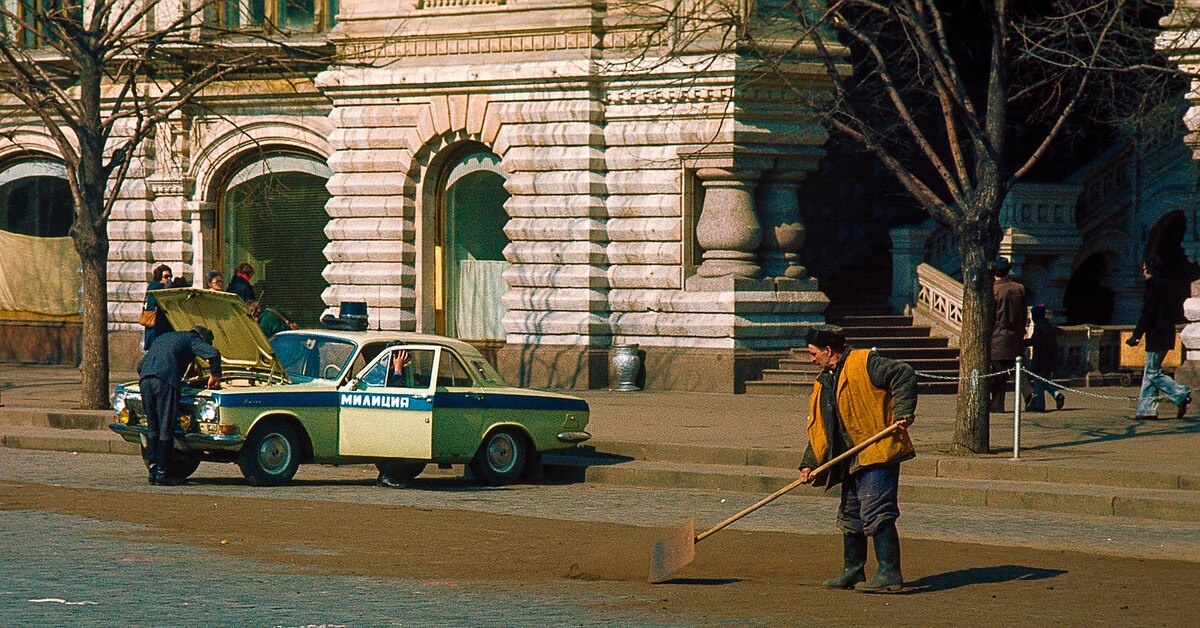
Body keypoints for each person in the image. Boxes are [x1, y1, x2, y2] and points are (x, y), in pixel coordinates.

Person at [798, 327, 916, 593]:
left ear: (829, 351)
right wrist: (810, 463)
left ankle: (889, 573)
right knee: (851, 516)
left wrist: (904, 410)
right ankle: (853, 571)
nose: (811, 359)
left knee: (877, 512)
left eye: (813, 354)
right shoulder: (824, 381)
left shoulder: (865, 362)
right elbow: (820, 428)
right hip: (848, 458)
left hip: (876, 451)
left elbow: (903, 373)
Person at [137, 324, 222, 486]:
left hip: (145, 380)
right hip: (164, 381)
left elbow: (140, 366)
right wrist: (215, 375)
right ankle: (163, 474)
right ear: (202, 338)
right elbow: (213, 354)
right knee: (166, 426)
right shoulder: (193, 339)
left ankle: (153, 470)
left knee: (153, 427)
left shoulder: (166, 337)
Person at [1127, 255, 1191, 420]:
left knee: (1153, 373)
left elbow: (1148, 312)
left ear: (1150, 269)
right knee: (1150, 372)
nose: (1143, 273)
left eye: (1144, 269)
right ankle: (1146, 410)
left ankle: (1180, 393)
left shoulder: (1152, 286)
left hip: (1156, 333)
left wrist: (1136, 335)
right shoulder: (1171, 285)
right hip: (1167, 332)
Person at [990, 256, 1028, 412]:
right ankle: (1029, 393)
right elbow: (1024, 313)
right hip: (1016, 335)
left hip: (998, 337)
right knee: (1016, 368)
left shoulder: (994, 290)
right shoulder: (1019, 288)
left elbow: (991, 316)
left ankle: (998, 404)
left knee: (999, 373)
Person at [1024, 304, 1066, 412]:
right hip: (1051, 359)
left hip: (1040, 359)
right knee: (1044, 380)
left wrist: (1022, 342)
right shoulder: (1049, 326)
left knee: (1038, 381)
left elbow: (1035, 341)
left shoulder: (1039, 328)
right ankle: (1056, 394)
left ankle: (1040, 405)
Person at [143, 264, 173, 351]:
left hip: (161, 324)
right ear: (160, 277)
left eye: (170, 276)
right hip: (155, 324)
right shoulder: (156, 286)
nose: (168, 279)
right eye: (166, 276)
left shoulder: (165, 287)